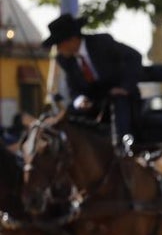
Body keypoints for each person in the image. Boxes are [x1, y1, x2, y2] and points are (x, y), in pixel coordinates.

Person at [41, 12, 142, 152]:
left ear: (71, 39)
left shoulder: (102, 43)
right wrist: (80, 100)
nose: (57, 49)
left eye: (59, 44)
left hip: (118, 97)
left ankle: (123, 147)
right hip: (93, 102)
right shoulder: (65, 60)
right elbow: (73, 89)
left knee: (118, 103)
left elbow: (134, 56)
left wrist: (125, 87)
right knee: (66, 116)